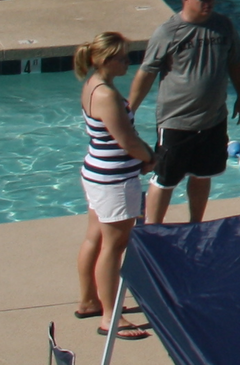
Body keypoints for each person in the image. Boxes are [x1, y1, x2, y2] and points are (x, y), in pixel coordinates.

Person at [129, 0, 240, 225]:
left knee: (203, 175)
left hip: (213, 120)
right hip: (176, 122)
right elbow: (146, 73)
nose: (209, 2)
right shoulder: (168, 32)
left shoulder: (223, 26)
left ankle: (196, 225)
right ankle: (153, 229)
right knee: (165, 179)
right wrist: (130, 110)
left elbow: (236, 61)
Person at [73, 31, 153, 341]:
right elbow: (126, 140)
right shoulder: (105, 94)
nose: (128, 62)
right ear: (106, 60)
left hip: (96, 173)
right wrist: (150, 156)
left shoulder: (92, 85)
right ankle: (110, 317)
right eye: (123, 57)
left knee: (95, 238)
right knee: (114, 247)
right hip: (114, 180)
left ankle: (89, 300)